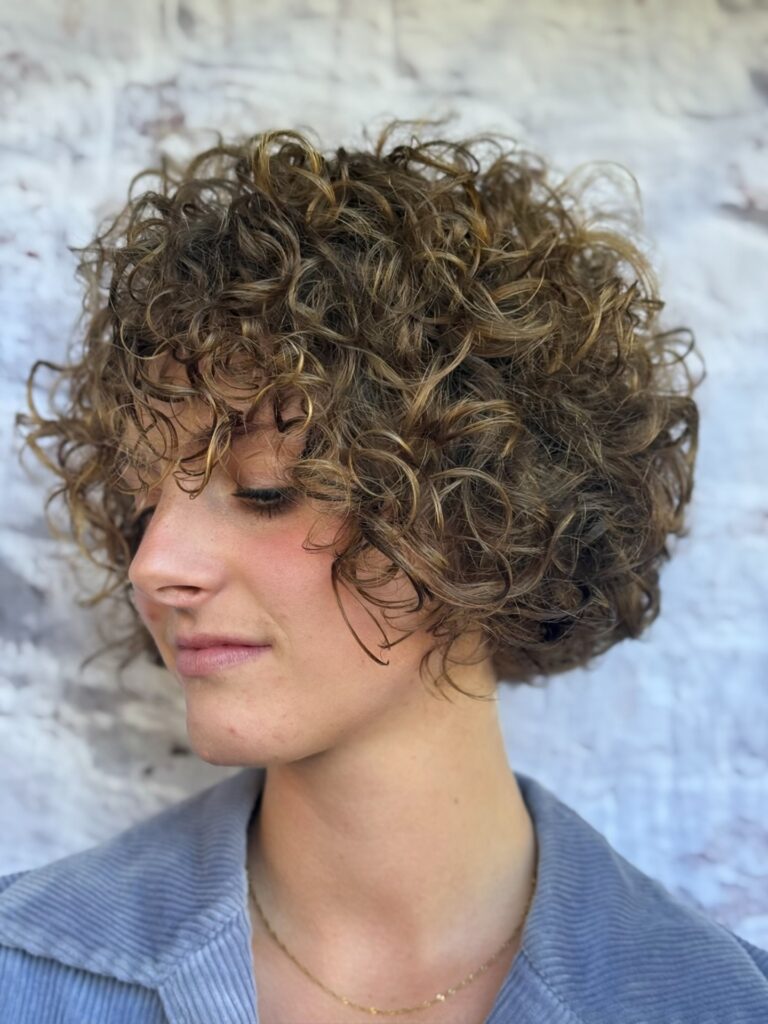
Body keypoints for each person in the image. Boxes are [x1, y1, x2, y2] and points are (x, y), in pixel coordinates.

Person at [1, 118, 765, 1024]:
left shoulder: (718, 1003)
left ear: (485, 510)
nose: (153, 565)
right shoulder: (26, 976)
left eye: (266, 489)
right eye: (140, 506)